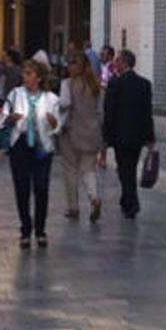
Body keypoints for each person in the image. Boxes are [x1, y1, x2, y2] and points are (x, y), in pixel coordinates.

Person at [0, 60, 62, 249]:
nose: (24, 77)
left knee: (41, 188)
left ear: (39, 77)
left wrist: (53, 123)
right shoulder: (15, 94)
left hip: (42, 146)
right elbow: (3, 118)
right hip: (20, 144)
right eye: (24, 73)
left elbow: (59, 124)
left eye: (28, 73)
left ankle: (40, 229)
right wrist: (10, 119)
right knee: (22, 187)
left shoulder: (51, 98)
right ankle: (25, 229)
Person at [103, 50, 154, 219]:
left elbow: (109, 113)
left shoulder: (114, 84)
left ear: (124, 63)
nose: (115, 63)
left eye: (117, 60)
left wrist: (106, 137)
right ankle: (128, 199)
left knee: (124, 169)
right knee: (130, 168)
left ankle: (131, 202)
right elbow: (147, 113)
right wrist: (149, 136)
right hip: (137, 136)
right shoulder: (144, 84)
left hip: (120, 136)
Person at [59, 51, 105, 222]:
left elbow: (64, 105)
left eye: (70, 64)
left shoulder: (67, 84)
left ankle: (73, 207)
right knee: (88, 170)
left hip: (71, 132)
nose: (68, 67)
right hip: (92, 134)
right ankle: (94, 198)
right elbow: (101, 113)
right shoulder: (97, 87)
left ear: (75, 66)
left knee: (70, 170)